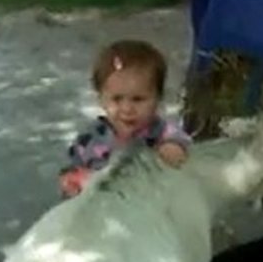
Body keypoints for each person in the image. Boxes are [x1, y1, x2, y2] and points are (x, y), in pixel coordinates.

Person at [59, 39, 191, 198]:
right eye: (117, 99)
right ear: (101, 99)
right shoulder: (90, 139)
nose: (127, 109)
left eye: (138, 99)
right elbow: (72, 172)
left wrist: (173, 149)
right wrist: (71, 183)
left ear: (158, 98)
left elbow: (181, 142)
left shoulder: (160, 131)